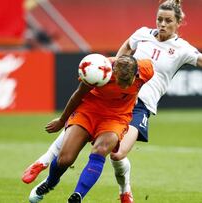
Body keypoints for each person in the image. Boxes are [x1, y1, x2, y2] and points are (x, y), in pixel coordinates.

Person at [22, 0, 202, 202]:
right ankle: (45, 165)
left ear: (178, 23)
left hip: (141, 106)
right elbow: (124, 52)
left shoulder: (182, 49)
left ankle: (124, 190)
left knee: (117, 153)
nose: (162, 24)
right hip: (114, 96)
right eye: (159, 19)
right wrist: (111, 69)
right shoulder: (142, 34)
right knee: (77, 133)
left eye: (168, 20)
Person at [27, 55, 154, 203]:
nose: (123, 86)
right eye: (120, 81)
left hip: (116, 118)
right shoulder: (98, 70)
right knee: (64, 159)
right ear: (114, 72)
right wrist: (62, 120)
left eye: (127, 82)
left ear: (136, 74)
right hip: (88, 112)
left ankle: (78, 196)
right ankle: (50, 182)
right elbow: (78, 95)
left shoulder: (147, 69)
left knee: (100, 150)